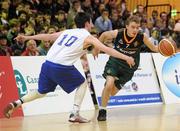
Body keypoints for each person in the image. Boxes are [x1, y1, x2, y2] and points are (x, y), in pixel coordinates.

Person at [3, 12, 135, 123]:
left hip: (47, 64)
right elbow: (107, 49)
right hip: (61, 66)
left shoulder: (68, 31)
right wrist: (126, 57)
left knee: (41, 92)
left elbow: (47, 37)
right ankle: (75, 113)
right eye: (91, 22)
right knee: (83, 83)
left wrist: (26, 37)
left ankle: (16, 103)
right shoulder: (87, 36)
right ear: (87, 23)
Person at [97, 15, 159, 121]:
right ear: (127, 26)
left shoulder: (142, 36)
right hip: (115, 62)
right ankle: (102, 110)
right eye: (133, 27)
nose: (135, 29)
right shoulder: (119, 33)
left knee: (112, 92)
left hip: (129, 68)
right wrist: (96, 48)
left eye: (137, 27)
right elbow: (103, 35)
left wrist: (168, 52)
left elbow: (154, 48)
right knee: (109, 84)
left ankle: (108, 87)